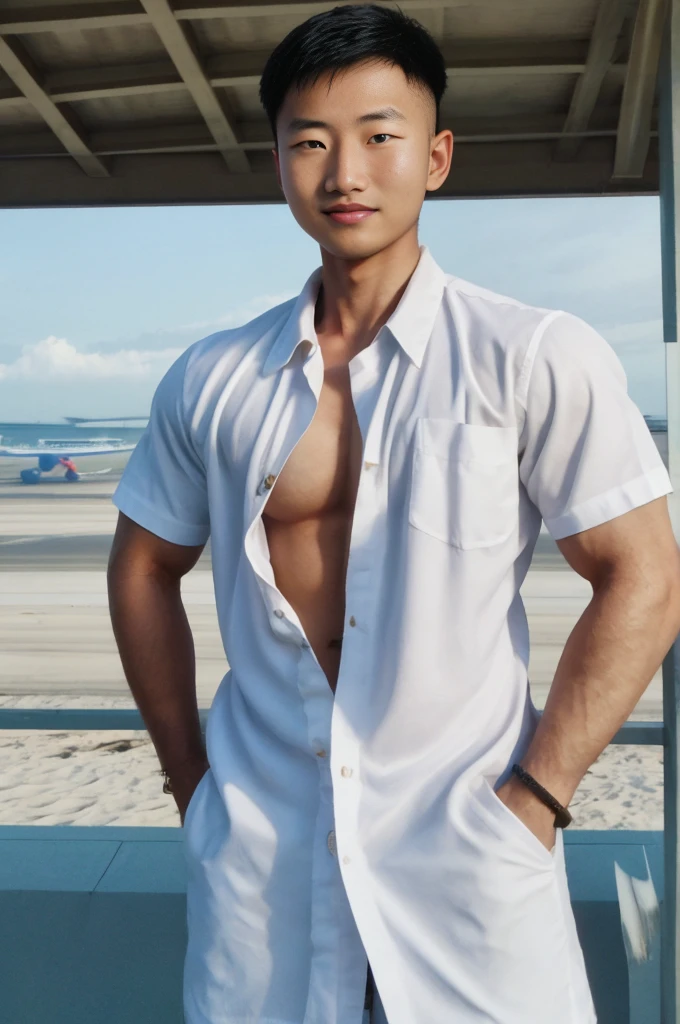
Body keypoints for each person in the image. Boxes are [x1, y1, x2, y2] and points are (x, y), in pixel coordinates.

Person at [106, 5, 680, 1023]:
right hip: (265, 852)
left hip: (464, 848)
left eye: (379, 136)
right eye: (310, 141)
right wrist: (190, 782)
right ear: (277, 159)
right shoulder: (212, 376)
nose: (345, 172)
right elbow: (144, 565)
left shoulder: (532, 354)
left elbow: (644, 571)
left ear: (436, 155)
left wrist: (537, 799)